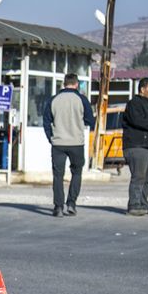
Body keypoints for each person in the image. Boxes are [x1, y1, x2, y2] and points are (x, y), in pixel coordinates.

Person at [43, 73, 95, 217]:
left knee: (58, 175)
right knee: (76, 173)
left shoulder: (54, 100)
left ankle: (58, 206)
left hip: (58, 143)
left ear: (64, 83)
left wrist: (51, 138)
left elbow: (46, 121)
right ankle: (71, 203)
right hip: (76, 143)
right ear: (76, 84)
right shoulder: (82, 100)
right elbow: (91, 120)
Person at [121, 77, 148, 217]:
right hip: (137, 146)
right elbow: (138, 121)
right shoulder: (134, 104)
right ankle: (134, 205)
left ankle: (143, 204)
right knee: (138, 177)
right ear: (142, 89)